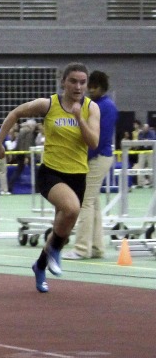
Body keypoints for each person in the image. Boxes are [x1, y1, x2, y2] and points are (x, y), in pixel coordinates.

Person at [0, 62, 100, 293]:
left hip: (78, 175)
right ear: (63, 81)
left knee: (61, 226)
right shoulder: (49, 104)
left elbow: (93, 142)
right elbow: (16, 113)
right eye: (73, 81)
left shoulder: (91, 109)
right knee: (71, 209)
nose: (78, 86)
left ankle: (40, 266)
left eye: (82, 82)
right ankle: (55, 251)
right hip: (51, 172)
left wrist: (79, 119)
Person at [63, 70, 118, 260]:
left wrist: (83, 157)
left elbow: (100, 138)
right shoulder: (95, 104)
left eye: (94, 87)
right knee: (93, 203)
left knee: (84, 202)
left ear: (102, 87)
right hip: (94, 156)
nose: (90, 90)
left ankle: (80, 248)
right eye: (90, 87)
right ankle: (96, 247)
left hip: (98, 156)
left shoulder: (106, 106)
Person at [7, 119, 36, 194]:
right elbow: (27, 144)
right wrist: (27, 156)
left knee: (18, 170)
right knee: (35, 170)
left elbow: (18, 143)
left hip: (20, 153)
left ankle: (10, 186)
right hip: (26, 154)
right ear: (32, 125)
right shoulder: (29, 131)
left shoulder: (21, 130)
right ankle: (37, 188)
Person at [134, 121, 155, 188]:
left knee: (151, 167)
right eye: (144, 128)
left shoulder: (152, 133)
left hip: (150, 152)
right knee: (140, 167)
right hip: (142, 151)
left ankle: (152, 183)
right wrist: (144, 140)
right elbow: (139, 139)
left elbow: (154, 139)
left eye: (147, 128)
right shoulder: (141, 133)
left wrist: (148, 140)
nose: (145, 129)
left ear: (148, 128)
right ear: (143, 128)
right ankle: (140, 183)